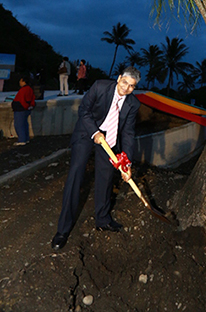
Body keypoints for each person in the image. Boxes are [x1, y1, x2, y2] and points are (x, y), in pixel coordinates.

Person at [51, 66, 141, 250]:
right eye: (125, 82)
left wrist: (127, 162)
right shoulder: (100, 87)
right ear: (118, 78)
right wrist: (95, 132)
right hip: (87, 131)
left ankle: (102, 220)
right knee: (76, 174)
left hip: (111, 140)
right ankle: (62, 230)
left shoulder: (133, 104)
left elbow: (129, 134)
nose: (126, 88)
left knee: (106, 178)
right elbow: (83, 110)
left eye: (132, 86)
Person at [11, 76, 36, 146]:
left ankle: (22, 140)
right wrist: (30, 106)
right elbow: (32, 98)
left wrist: (24, 106)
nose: (19, 82)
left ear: (24, 81)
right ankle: (26, 138)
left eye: (21, 81)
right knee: (24, 124)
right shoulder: (30, 89)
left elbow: (21, 99)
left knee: (19, 125)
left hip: (20, 109)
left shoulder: (23, 90)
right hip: (26, 109)